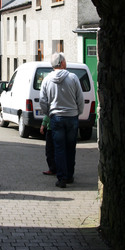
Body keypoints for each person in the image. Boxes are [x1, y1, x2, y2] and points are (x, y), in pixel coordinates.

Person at [39, 52, 84, 188]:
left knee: (59, 149)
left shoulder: (47, 80)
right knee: (71, 148)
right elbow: (80, 98)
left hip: (56, 118)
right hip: (72, 117)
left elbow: (42, 100)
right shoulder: (73, 77)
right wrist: (78, 112)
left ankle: (62, 178)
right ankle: (69, 175)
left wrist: (49, 113)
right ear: (62, 63)